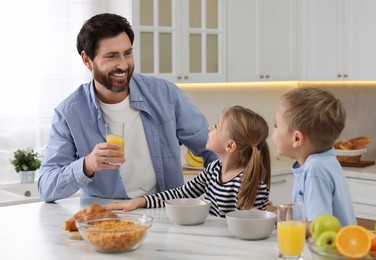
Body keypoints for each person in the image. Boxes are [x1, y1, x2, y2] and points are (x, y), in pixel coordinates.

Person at [38, 13, 217, 202]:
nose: (123, 65)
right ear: (87, 60)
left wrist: (220, 195)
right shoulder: (69, 114)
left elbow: (214, 150)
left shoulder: (165, 94)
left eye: (128, 53)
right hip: (108, 219)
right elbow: (47, 187)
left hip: (166, 212)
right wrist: (87, 164)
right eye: (111, 56)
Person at [106, 106, 271, 217]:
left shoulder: (250, 182)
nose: (210, 128)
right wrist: (139, 201)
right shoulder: (214, 169)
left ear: (230, 145)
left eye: (217, 126)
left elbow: (251, 228)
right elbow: (180, 193)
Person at [272, 87, 356, 233]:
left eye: (276, 126)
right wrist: (293, 208)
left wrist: (285, 224)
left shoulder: (315, 170)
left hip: (331, 253)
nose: (273, 131)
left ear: (297, 138)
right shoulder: (325, 160)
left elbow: (319, 228)